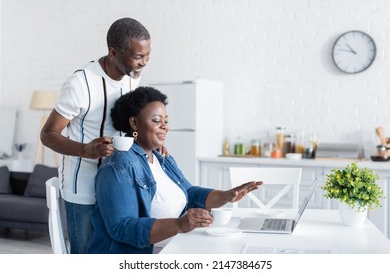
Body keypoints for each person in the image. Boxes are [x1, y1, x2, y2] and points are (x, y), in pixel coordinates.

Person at [87, 86, 263, 254]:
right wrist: (180, 224)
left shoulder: (162, 158)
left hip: (176, 243)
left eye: (166, 120)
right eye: (156, 120)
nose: (165, 126)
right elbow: (122, 227)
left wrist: (226, 196)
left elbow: (190, 193)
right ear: (134, 123)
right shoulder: (119, 166)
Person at [40, 17, 152, 254]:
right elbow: (48, 134)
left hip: (119, 184)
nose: (144, 63)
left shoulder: (133, 76)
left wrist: (149, 144)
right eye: (138, 57)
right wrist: (85, 149)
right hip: (84, 187)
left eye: (147, 55)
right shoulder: (80, 83)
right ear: (113, 52)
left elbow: (128, 123)